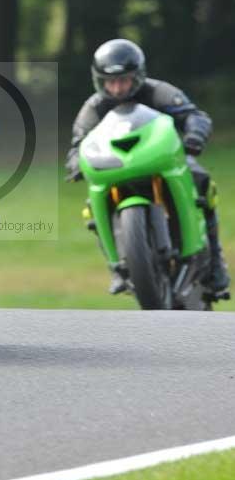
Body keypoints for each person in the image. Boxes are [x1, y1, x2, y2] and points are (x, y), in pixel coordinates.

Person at [66, 38, 230, 296]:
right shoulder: (95, 106)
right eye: (111, 82)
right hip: (117, 167)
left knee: (202, 181)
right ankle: (118, 266)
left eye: (124, 80)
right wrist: (75, 162)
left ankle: (216, 261)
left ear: (137, 76)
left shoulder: (158, 92)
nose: (117, 88)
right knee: (90, 210)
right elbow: (79, 141)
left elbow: (194, 116)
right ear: (100, 81)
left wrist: (194, 136)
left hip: (164, 159)